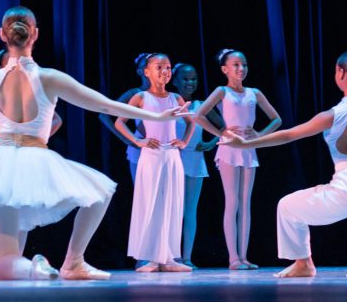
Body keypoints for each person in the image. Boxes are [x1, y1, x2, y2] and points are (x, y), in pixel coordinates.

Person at [0, 6, 188, 280]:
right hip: (31, 153)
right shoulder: (48, 78)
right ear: (35, 34)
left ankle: (36, 268)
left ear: (3, 35)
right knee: (100, 193)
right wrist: (155, 115)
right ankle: (73, 261)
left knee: (2, 264)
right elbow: (106, 105)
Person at [222, 50, 347, 278]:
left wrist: (245, 143)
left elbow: (289, 134)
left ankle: (304, 263)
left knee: (287, 206)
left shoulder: (334, 114)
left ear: (342, 74)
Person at [194, 49, 282, 270]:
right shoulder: (222, 91)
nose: (241, 68)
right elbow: (198, 115)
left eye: (243, 64)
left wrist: (260, 135)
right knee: (232, 201)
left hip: (249, 148)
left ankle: (243, 256)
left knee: (246, 203)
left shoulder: (255, 93)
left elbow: (276, 119)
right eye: (235, 65)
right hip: (229, 149)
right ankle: (233, 257)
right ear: (225, 69)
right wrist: (221, 133)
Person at [116, 53, 194, 272]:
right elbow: (120, 122)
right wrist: (138, 141)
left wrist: (185, 141)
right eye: (159, 67)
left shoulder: (176, 98)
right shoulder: (140, 98)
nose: (165, 71)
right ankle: (150, 257)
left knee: (172, 203)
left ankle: (169, 258)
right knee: (151, 204)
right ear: (147, 72)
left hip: (172, 156)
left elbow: (191, 122)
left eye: (168, 67)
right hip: (151, 157)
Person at [171, 63, 224, 268]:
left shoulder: (201, 105)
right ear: (175, 81)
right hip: (173, 159)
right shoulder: (171, 103)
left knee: (190, 211)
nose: (190, 82)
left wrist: (211, 143)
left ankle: (186, 257)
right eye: (185, 79)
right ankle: (172, 256)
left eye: (193, 78)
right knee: (173, 210)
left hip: (194, 159)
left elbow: (224, 127)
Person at [99, 53, 151, 182]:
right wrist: (127, 139)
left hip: (163, 149)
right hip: (142, 148)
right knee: (144, 194)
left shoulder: (169, 95)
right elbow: (104, 114)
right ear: (140, 71)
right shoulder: (135, 93)